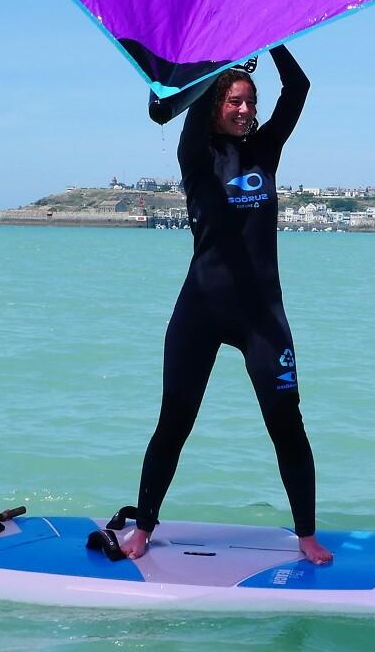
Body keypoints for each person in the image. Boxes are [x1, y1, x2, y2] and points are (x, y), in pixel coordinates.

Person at [119, 44, 333, 565]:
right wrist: (220, 47)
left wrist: (273, 36)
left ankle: (305, 534)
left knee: (287, 422)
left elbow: (299, 89)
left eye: (249, 102)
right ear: (215, 105)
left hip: (262, 317)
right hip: (202, 309)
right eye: (233, 101)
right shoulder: (196, 154)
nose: (243, 110)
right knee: (175, 420)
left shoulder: (265, 150)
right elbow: (190, 101)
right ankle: (143, 528)